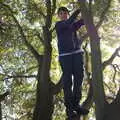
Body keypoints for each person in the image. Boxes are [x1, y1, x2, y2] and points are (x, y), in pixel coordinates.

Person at [55, 7, 89, 120]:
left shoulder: (72, 25)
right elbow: (69, 22)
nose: (63, 14)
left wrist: (87, 12)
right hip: (65, 56)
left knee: (79, 78)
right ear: (59, 16)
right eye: (61, 13)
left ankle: (76, 105)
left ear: (67, 14)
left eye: (65, 13)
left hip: (77, 54)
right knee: (68, 83)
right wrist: (78, 10)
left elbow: (81, 22)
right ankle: (69, 109)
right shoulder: (59, 25)